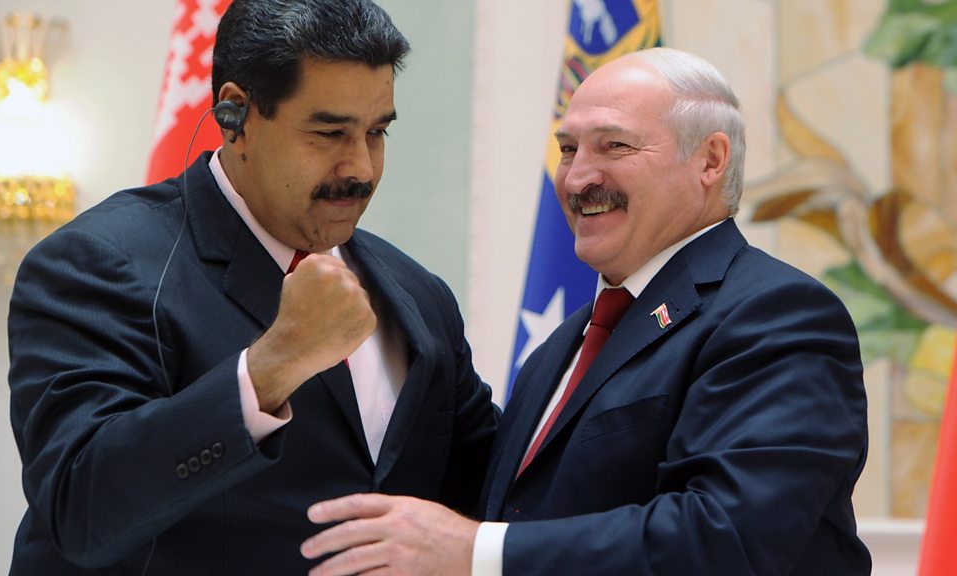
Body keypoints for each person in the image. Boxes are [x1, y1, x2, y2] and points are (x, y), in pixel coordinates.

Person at [300, 47, 872, 575]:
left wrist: (474, 550)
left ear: (710, 160)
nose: (577, 179)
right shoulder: (561, 347)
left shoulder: (778, 316)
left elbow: (727, 538)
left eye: (614, 146)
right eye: (569, 149)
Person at [6, 1, 498, 574]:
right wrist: (273, 365)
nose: (362, 167)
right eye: (329, 133)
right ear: (236, 115)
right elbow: (79, 507)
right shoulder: (98, 262)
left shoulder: (418, 294)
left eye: (376, 132)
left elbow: (496, 490)